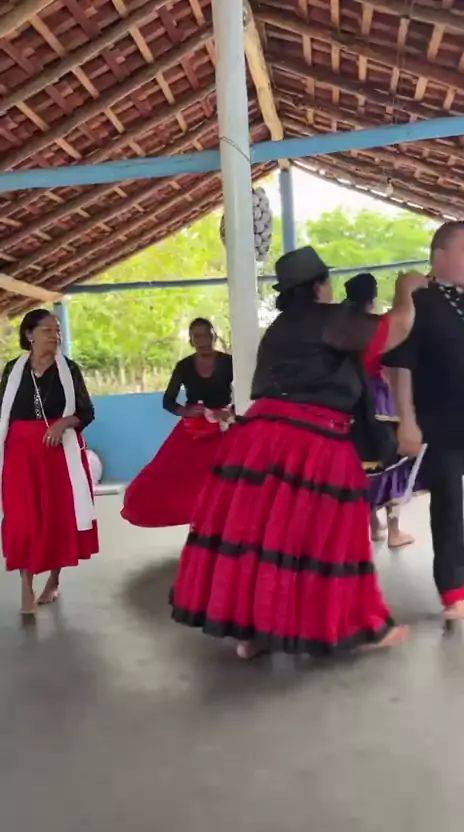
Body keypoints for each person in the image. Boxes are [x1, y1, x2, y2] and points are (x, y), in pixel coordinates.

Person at [170, 246, 427, 659]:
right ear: (319, 286)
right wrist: (406, 290)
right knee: (328, 539)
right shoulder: (327, 318)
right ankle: (357, 627)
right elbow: (395, 329)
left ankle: (254, 632)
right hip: (310, 440)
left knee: (259, 538)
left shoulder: (281, 327)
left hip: (257, 440)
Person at [384, 221, 464, 621]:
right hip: (440, 423)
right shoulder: (422, 304)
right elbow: (400, 365)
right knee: (449, 504)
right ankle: (454, 590)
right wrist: (407, 420)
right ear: (441, 256)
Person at [0, 309, 98, 615]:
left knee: (57, 519)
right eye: (47, 330)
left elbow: (86, 412)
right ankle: (25, 587)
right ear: (29, 334)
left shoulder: (69, 370)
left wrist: (63, 423)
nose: (55, 336)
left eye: (57, 331)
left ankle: (54, 580)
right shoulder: (13, 370)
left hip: (58, 456)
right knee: (22, 520)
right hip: (20, 454)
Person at [121, 318, 234, 529]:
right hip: (193, 431)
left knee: (225, 478)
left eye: (206, 335)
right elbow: (168, 401)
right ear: (191, 341)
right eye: (197, 336)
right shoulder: (184, 366)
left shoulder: (229, 362)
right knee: (169, 474)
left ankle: (222, 525)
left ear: (214, 336)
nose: (202, 340)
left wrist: (230, 411)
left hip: (224, 428)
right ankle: (198, 524)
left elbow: (249, 390)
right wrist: (186, 411)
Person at [344, 272, 424, 549]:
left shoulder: (343, 329)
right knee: (392, 462)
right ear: (372, 298)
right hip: (378, 400)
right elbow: (401, 324)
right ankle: (394, 531)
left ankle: (373, 525)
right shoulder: (376, 326)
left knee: (363, 466)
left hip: (351, 403)